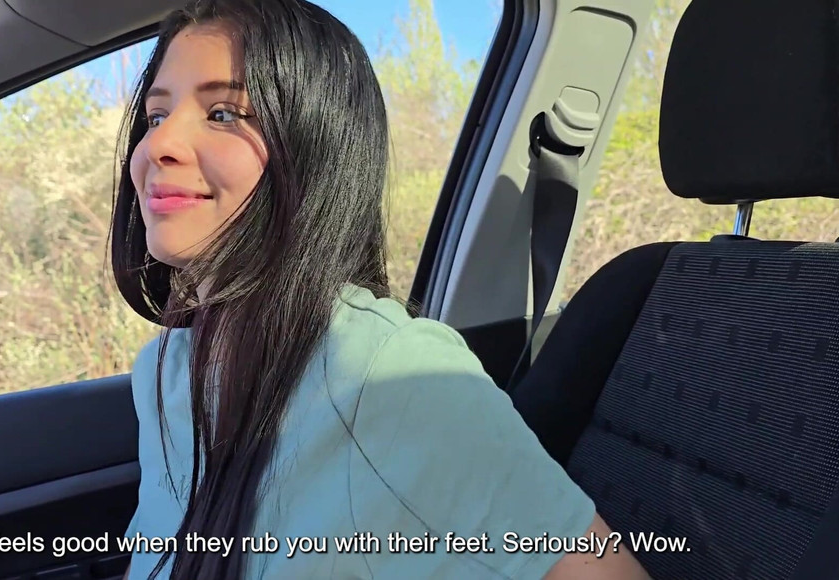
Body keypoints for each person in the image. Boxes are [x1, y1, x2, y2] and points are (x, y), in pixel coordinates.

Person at [109, 0, 651, 578]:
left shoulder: (390, 371)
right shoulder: (165, 370)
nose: (159, 145)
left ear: (315, 146)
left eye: (223, 113)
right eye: (156, 116)